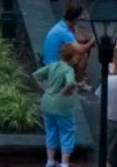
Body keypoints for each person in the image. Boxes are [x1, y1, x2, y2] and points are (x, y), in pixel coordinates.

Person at [33, 39, 84, 167]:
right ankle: (64, 163)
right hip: (62, 106)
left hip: (47, 103)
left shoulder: (52, 66)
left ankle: (50, 161)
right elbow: (70, 82)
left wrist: (46, 88)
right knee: (67, 132)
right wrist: (65, 91)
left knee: (51, 131)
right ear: (72, 57)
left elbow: (35, 75)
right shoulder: (68, 70)